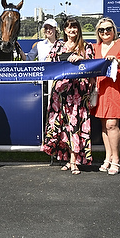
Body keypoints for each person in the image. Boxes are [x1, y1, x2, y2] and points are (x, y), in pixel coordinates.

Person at [41, 17, 95, 173]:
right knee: (63, 127)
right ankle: (66, 158)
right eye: (69, 27)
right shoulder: (58, 45)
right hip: (60, 93)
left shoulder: (87, 46)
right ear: (64, 30)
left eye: (75, 27)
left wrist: (81, 60)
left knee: (75, 127)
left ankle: (74, 161)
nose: (72, 30)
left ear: (79, 29)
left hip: (78, 93)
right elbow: (48, 64)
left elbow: (93, 68)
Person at [91, 17, 120, 175]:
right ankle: (108, 157)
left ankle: (116, 159)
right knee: (104, 126)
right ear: (98, 32)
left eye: (108, 29)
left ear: (114, 30)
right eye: (101, 30)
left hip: (117, 90)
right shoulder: (94, 47)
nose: (105, 32)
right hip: (101, 90)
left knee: (112, 125)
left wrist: (118, 62)